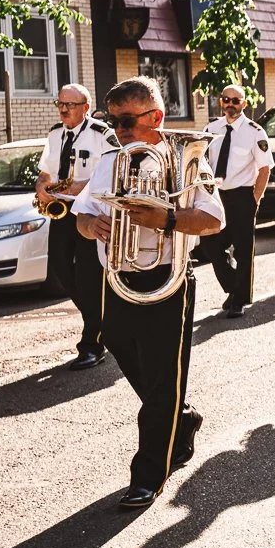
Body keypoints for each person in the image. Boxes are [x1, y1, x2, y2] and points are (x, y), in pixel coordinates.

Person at [73, 77, 225, 509]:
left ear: (155, 117)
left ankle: (148, 475)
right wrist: (91, 226)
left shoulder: (186, 159)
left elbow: (213, 220)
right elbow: (83, 214)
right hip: (117, 276)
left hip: (167, 276)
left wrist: (165, 221)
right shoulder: (110, 158)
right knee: (124, 352)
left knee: (162, 378)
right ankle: (182, 417)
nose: (117, 130)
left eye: (125, 121)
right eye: (112, 121)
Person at [36, 83, 115, 367]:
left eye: (69, 105)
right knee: (59, 267)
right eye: (59, 103)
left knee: (88, 275)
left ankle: (92, 344)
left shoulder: (102, 134)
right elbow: (45, 172)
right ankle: (103, 320)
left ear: (85, 107)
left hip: (90, 209)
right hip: (62, 209)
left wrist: (82, 186)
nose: (63, 109)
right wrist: (41, 187)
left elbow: (116, 170)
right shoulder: (55, 134)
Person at [195, 85, 271, 318]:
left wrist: (255, 199)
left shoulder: (255, 131)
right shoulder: (212, 128)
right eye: (226, 100)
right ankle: (233, 287)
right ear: (221, 102)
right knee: (211, 245)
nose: (231, 104)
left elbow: (265, 168)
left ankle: (239, 299)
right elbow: (202, 161)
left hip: (242, 196)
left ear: (244, 104)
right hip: (217, 196)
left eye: (236, 100)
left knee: (243, 249)